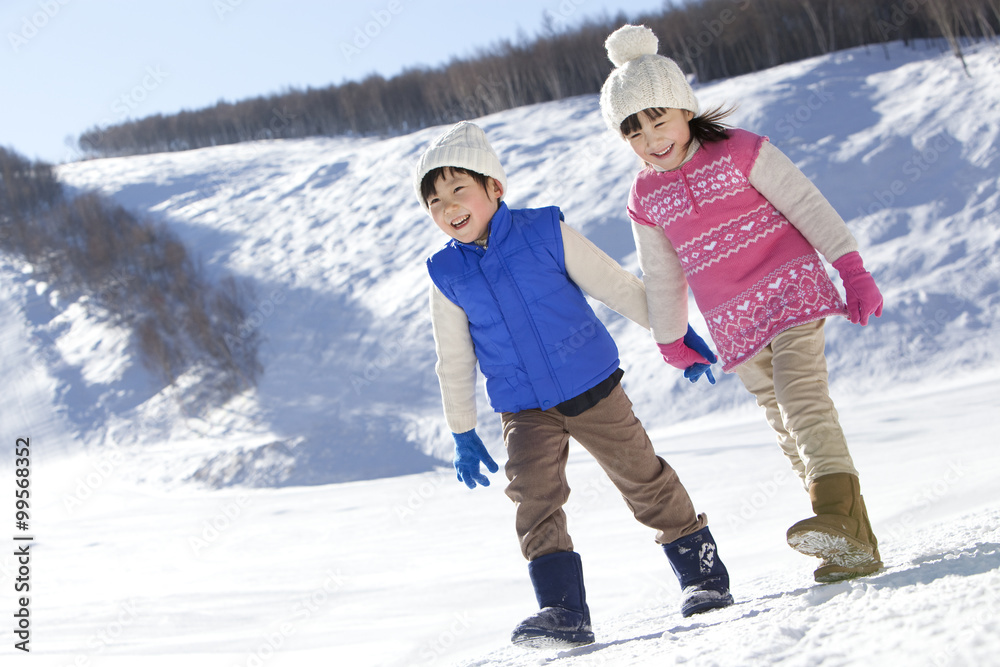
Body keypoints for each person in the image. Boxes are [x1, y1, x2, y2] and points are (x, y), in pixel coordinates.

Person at [414, 121, 733, 649]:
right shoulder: (446, 273)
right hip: (523, 409)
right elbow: (452, 359)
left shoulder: (544, 231)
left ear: (495, 187)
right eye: (433, 200)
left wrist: (673, 334)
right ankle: (562, 611)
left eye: (457, 190)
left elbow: (615, 286)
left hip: (591, 384)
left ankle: (703, 576)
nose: (447, 207)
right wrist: (462, 431)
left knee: (641, 476)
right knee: (534, 500)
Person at [599, 24, 884, 584]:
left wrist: (850, 268)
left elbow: (807, 204)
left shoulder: (741, 151)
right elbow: (662, 276)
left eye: (659, 120)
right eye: (635, 132)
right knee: (785, 425)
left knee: (803, 401)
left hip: (791, 291)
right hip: (734, 322)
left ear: (684, 109)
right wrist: (670, 336)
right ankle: (854, 542)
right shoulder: (645, 197)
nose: (653, 139)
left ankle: (835, 517)